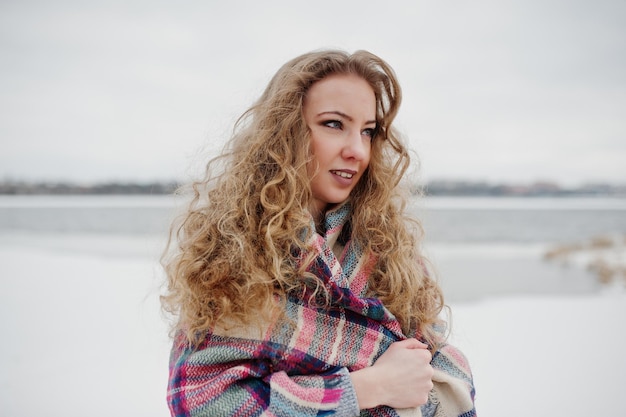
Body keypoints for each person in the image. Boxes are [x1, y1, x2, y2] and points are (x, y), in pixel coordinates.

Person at [161, 49, 476, 417]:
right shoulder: (235, 256)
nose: (357, 150)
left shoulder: (389, 254)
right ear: (286, 131)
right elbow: (201, 399)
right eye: (333, 124)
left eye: (368, 131)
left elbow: (439, 372)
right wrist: (365, 388)